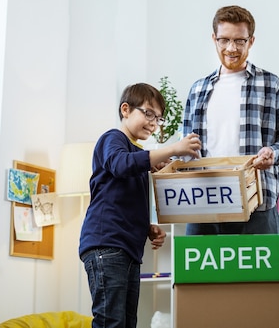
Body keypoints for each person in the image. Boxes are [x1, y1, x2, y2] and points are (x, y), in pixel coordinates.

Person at [182, 5, 279, 328]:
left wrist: (272, 154)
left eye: (239, 41)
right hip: (203, 207)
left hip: (256, 206)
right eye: (224, 40)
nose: (231, 48)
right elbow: (185, 148)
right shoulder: (197, 90)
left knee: (270, 297)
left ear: (251, 41)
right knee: (199, 296)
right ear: (214, 39)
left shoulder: (270, 84)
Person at [79, 83, 202, 328]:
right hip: (107, 244)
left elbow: (125, 199)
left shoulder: (136, 154)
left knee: (126, 322)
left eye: (158, 118)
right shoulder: (112, 139)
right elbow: (120, 164)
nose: (153, 123)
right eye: (148, 113)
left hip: (127, 249)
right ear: (125, 109)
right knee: (110, 321)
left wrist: (147, 227)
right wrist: (173, 148)